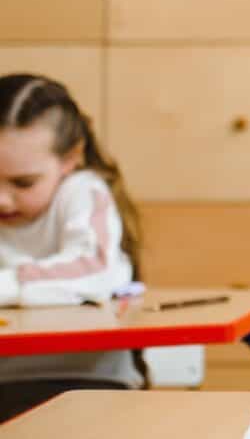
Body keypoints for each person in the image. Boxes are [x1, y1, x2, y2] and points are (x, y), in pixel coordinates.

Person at [0, 74, 144, 423]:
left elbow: (96, 268)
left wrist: (8, 285)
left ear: (72, 157)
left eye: (23, 183)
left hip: (92, 383)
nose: (2, 199)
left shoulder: (82, 192)